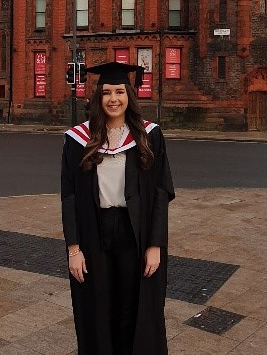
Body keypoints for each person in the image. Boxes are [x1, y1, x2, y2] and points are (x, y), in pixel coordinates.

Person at [61, 62, 175, 355]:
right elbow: (69, 196)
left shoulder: (149, 137)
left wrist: (154, 245)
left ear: (130, 96)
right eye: (107, 92)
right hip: (93, 231)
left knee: (131, 303)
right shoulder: (77, 140)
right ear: (98, 98)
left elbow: (161, 194)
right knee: (99, 303)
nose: (114, 99)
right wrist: (73, 250)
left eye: (120, 92)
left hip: (133, 231)